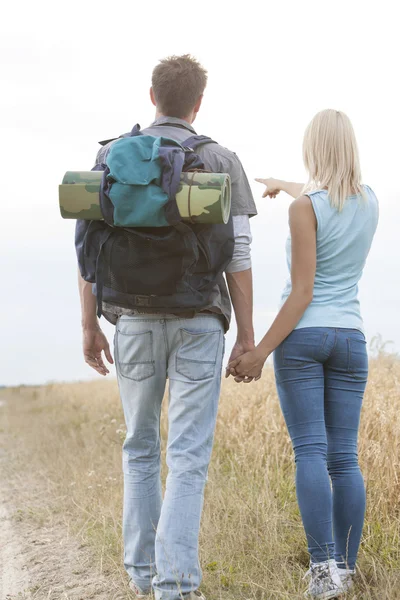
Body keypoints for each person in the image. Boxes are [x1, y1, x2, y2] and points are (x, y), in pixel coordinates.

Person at [77, 55, 257, 600]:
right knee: (188, 455)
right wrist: (248, 336)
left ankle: (140, 573)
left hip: (130, 319)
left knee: (139, 446)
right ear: (197, 104)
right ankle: (174, 584)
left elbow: (88, 246)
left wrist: (89, 325)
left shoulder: (110, 156)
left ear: (151, 96)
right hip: (200, 319)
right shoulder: (218, 157)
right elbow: (239, 254)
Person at [228, 109, 379, 599]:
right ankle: (347, 569)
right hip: (352, 339)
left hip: (305, 340)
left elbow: (302, 293)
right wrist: (282, 183)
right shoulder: (371, 201)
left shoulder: (305, 209)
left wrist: (259, 353)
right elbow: (320, 196)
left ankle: (321, 572)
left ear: (313, 149)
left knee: (310, 452)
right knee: (345, 457)